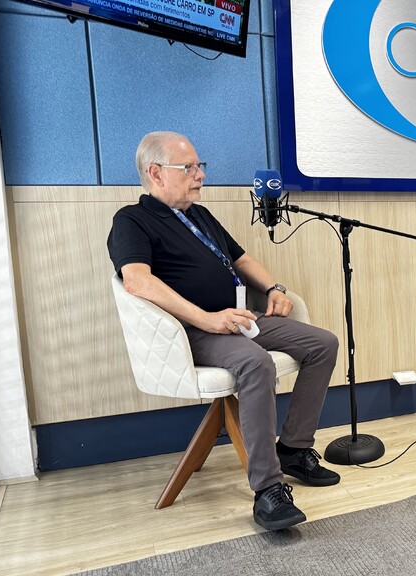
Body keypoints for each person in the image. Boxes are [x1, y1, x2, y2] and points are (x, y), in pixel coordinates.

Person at [108, 131, 340, 531]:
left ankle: (294, 450)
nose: (200, 175)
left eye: (201, 167)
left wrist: (274, 288)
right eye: (190, 168)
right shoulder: (132, 220)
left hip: (236, 319)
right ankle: (267, 490)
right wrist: (206, 318)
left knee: (323, 344)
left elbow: (242, 257)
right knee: (255, 363)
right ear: (156, 173)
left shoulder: (199, 215)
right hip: (191, 331)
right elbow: (137, 282)